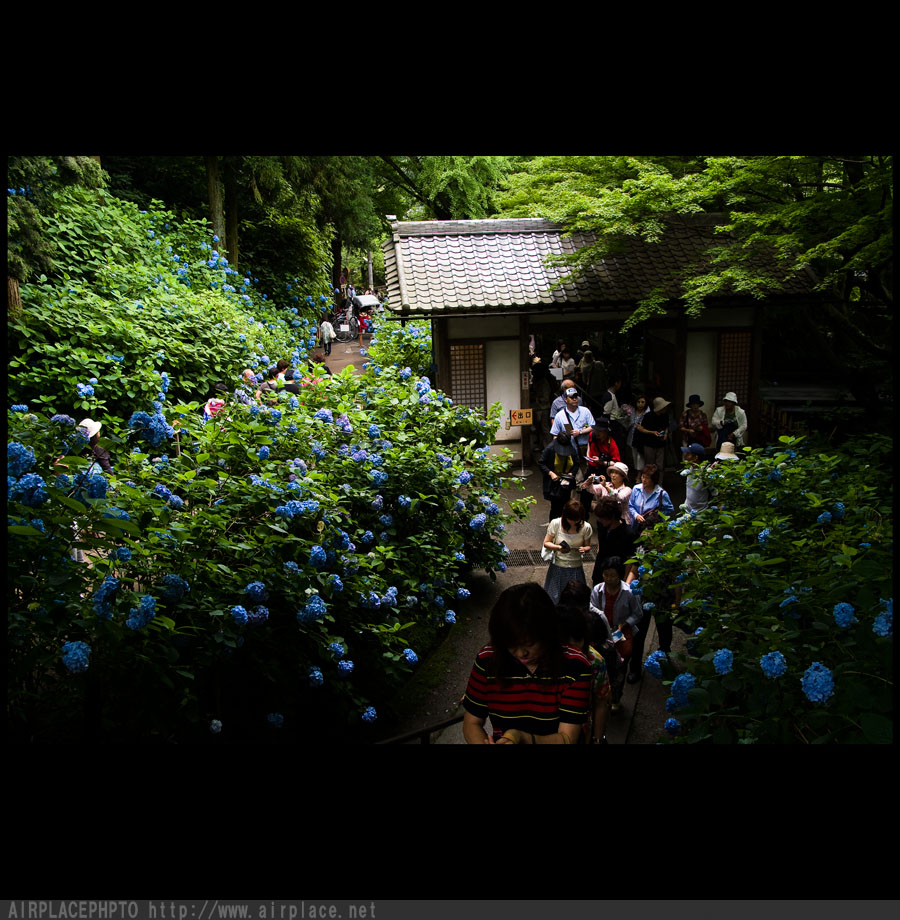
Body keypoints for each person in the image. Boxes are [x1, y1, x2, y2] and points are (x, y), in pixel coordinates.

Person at [462, 583, 593, 744]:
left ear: (547, 632)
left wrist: (522, 738)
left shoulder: (575, 666)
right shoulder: (487, 660)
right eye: (511, 644)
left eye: (529, 644)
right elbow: (471, 723)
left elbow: (567, 738)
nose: (520, 653)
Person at [557, 581, 611, 744]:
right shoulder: (541, 656)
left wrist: (597, 738)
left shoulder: (595, 662)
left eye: (576, 642)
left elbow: (601, 701)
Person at [589, 556, 643, 710]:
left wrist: (625, 624)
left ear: (619, 575)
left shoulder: (629, 592)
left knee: (620, 667)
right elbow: (592, 608)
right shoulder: (598, 590)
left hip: (622, 634)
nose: (609, 578)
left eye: (612, 575)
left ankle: (616, 698)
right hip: (602, 634)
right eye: (606, 575)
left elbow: (638, 614)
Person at [543, 499, 593, 604]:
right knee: (555, 596)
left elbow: (588, 546)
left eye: (576, 519)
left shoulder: (586, 527)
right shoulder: (556, 523)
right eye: (571, 519)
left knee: (575, 598)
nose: (573, 522)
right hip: (558, 565)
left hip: (576, 566)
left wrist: (584, 549)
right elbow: (546, 542)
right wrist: (558, 548)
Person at [590, 496, 637, 586]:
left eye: (603, 518)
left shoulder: (628, 533)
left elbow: (630, 559)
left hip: (616, 575)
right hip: (599, 571)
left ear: (612, 517)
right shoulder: (601, 524)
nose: (600, 520)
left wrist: (625, 579)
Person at [579, 420, 620, 517]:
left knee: (604, 495)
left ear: (606, 432)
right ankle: (583, 518)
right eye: (596, 430)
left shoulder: (612, 444)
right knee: (585, 493)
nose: (597, 433)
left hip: (604, 471)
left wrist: (602, 462)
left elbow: (616, 462)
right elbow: (589, 444)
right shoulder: (592, 435)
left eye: (600, 432)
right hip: (591, 469)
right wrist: (588, 457)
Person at [551, 387, 596, 472]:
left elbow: (593, 427)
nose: (575, 399)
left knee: (588, 470)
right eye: (571, 397)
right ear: (565, 400)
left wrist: (580, 432)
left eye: (576, 396)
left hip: (585, 447)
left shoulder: (585, 411)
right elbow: (555, 434)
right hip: (569, 448)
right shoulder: (560, 416)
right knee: (573, 471)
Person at [538, 432, 579, 522]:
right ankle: (553, 526)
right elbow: (541, 463)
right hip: (554, 482)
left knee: (566, 505)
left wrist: (572, 473)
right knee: (555, 507)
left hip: (566, 481)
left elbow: (576, 463)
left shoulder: (571, 449)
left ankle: (564, 525)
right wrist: (550, 473)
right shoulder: (550, 449)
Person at [628, 463, 674, 536]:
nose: (644, 480)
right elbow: (630, 506)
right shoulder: (636, 489)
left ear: (653, 479)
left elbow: (669, 509)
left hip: (651, 530)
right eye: (643, 477)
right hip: (636, 527)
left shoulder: (661, 493)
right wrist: (636, 515)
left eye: (647, 478)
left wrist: (655, 516)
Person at [633, 396, 671, 473]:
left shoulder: (665, 415)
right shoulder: (648, 416)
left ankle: (659, 482)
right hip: (649, 443)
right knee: (649, 465)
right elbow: (641, 429)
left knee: (660, 465)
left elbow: (666, 426)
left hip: (661, 443)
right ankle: (650, 481)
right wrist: (652, 432)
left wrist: (666, 434)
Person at [593, 461, 633, 527]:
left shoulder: (627, 490)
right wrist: (589, 481)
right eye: (612, 472)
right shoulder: (607, 484)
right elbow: (590, 489)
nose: (613, 475)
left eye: (616, 473)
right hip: (605, 519)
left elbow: (619, 497)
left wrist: (606, 487)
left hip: (621, 522)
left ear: (623, 476)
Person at [681, 442, 713, 513]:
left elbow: (715, 493)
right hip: (687, 512)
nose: (685, 456)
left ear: (695, 458)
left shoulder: (705, 474)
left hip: (701, 513)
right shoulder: (690, 469)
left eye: (688, 454)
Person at [625, 393, 649, 475]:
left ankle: (639, 475)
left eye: (642, 402)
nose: (640, 404)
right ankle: (637, 473)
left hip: (642, 438)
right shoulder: (632, 411)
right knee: (634, 456)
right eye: (638, 402)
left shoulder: (647, 413)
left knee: (640, 457)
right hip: (632, 436)